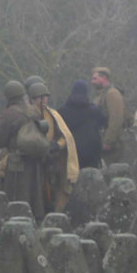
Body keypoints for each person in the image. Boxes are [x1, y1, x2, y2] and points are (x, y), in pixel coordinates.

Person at [0, 80, 46, 219]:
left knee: (15, 196)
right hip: (34, 161)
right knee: (33, 196)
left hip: (16, 163)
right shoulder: (32, 110)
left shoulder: (9, 114)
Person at [29, 82, 79, 213]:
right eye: (42, 97)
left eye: (45, 97)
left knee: (51, 191)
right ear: (34, 98)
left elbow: (66, 136)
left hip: (50, 160)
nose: (45, 100)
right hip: (32, 159)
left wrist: (57, 145)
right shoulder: (27, 114)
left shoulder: (52, 114)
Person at [58, 80, 106, 170]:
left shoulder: (62, 112)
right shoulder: (94, 111)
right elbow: (104, 122)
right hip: (92, 154)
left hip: (70, 153)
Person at [91, 66, 126, 165]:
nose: (92, 82)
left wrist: (108, 141)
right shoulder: (100, 95)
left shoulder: (112, 94)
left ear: (104, 78)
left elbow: (116, 118)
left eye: (95, 79)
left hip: (113, 145)